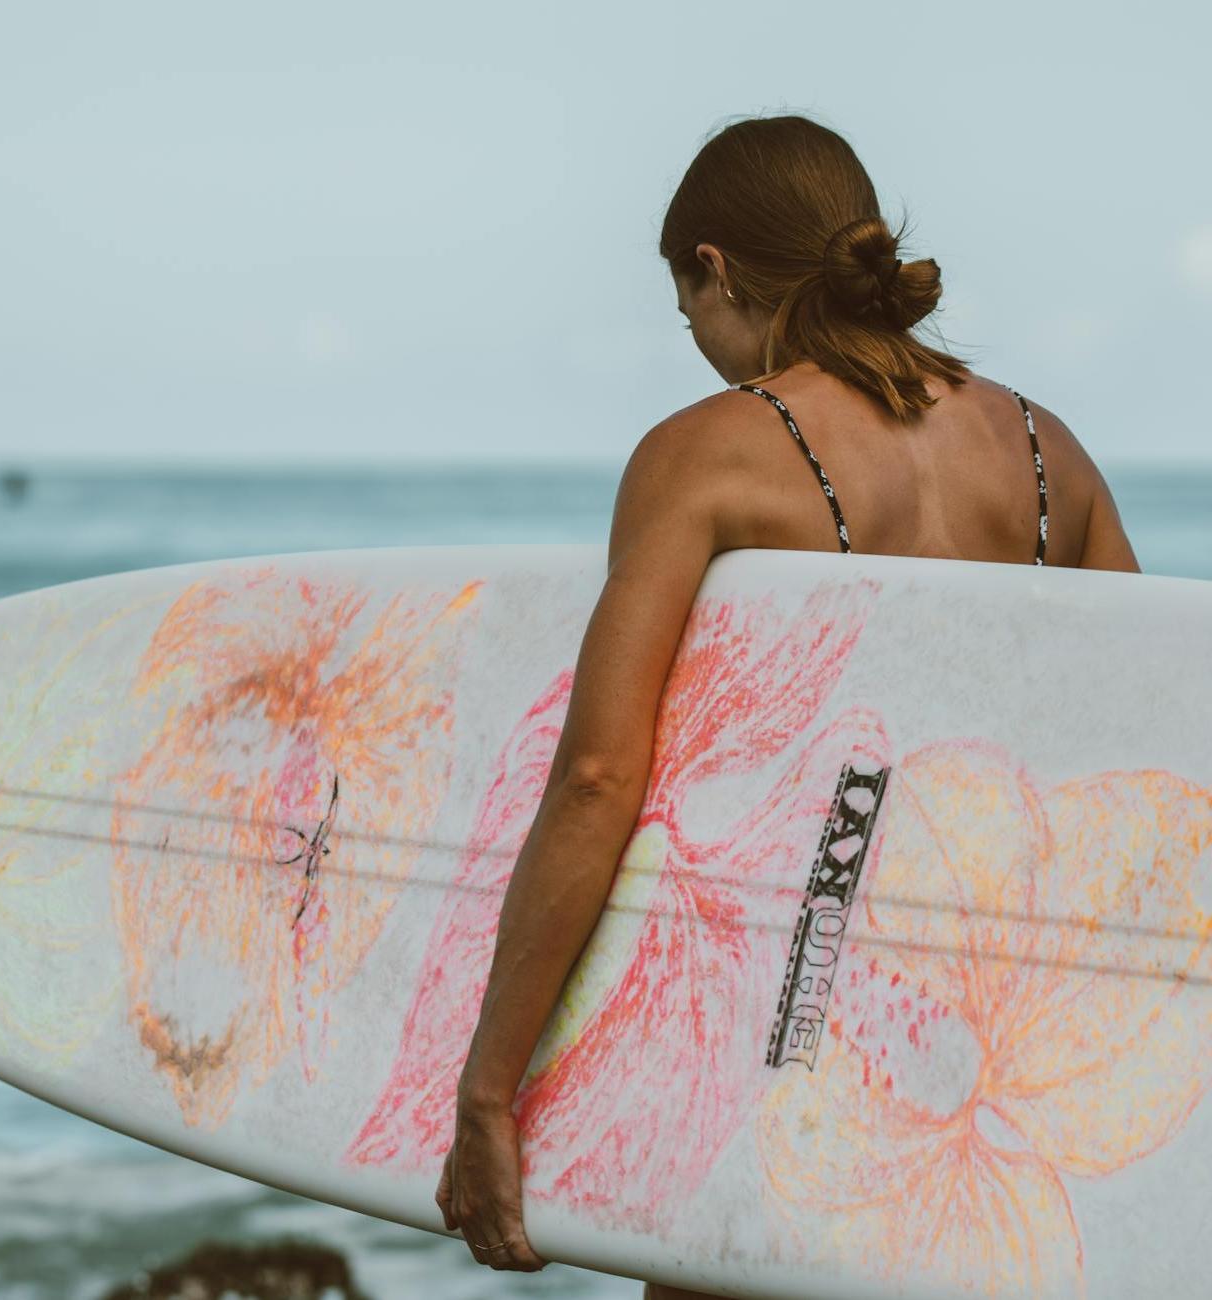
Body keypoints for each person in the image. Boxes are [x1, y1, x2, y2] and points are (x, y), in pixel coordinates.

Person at [431, 111, 1141, 1300]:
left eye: (688, 316)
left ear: (714, 270)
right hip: (979, 1075)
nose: (703, 350)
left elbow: (600, 776)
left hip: (773, 1053)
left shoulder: (708, 455)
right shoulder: (1043, 453)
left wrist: (488, 1088)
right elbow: (1140, 752)